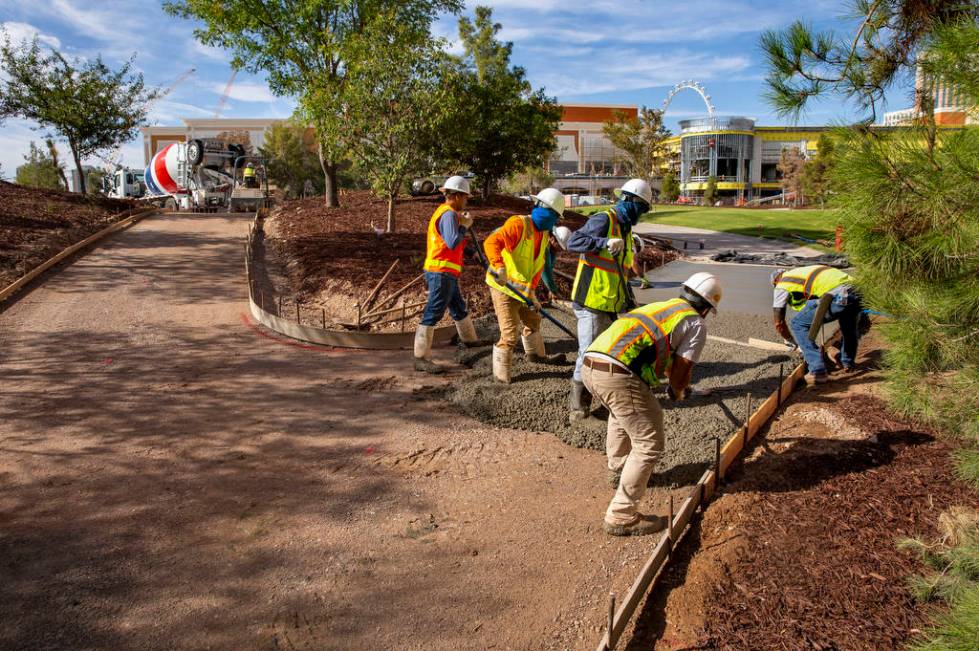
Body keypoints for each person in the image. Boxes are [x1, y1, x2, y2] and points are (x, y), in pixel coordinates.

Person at [582, 272, 722, 536]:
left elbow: (663, 358)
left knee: (621, 414)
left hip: (592, 365)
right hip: (620, 374)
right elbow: (681, 369)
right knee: (649, 443)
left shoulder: (662, 307)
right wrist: (678, 390)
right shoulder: (695, 324)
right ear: (706, 309)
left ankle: (619, 470)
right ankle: (622, 516)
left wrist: (678, 383)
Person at [566, 178, 653, 422]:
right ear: (630, 200)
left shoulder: (626, 231)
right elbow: (574, 242)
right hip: (591, 302)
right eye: (642, 208)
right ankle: (578, 411)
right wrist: (603, 242)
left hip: (609, 304)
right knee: (588, 354)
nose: (642, 214)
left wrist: (629, 302)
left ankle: (604, 397)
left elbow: (619, 273)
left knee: (609, 354)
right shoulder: (605, 219)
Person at [483, 188, 567, 383]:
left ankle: (536, 356)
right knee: (509, 334)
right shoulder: (518, 224)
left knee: (533, 320)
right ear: (543, 209)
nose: (554, 221)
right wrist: (498, 266)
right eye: (554, 216)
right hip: (503, 287)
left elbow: (537, 267)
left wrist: (532, 293)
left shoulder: (544, 234)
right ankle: (501, 378)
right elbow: (491, 242)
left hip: (522, 289)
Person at [414, 175, 483, 374]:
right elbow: (453, 241)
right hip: (440, 272)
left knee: (458, 307)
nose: (466, 201)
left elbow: (453, 243)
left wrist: (471, 254)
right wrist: (465, 226)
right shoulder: (448, 214)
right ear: (457, 196)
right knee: (434, 311)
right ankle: (420, 358)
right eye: (466, 198)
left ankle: (470, 341)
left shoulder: (450, 214)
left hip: (446, 272)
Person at [770, 265, 863, 384]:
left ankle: (817, 370)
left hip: (837, 294)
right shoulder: (801, 272)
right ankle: (847, 362)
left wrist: (790, 340)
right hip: (857, 290)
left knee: (797, 324)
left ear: (776, 281)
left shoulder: (782, 284)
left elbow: (779, 323)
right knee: (848, 325)